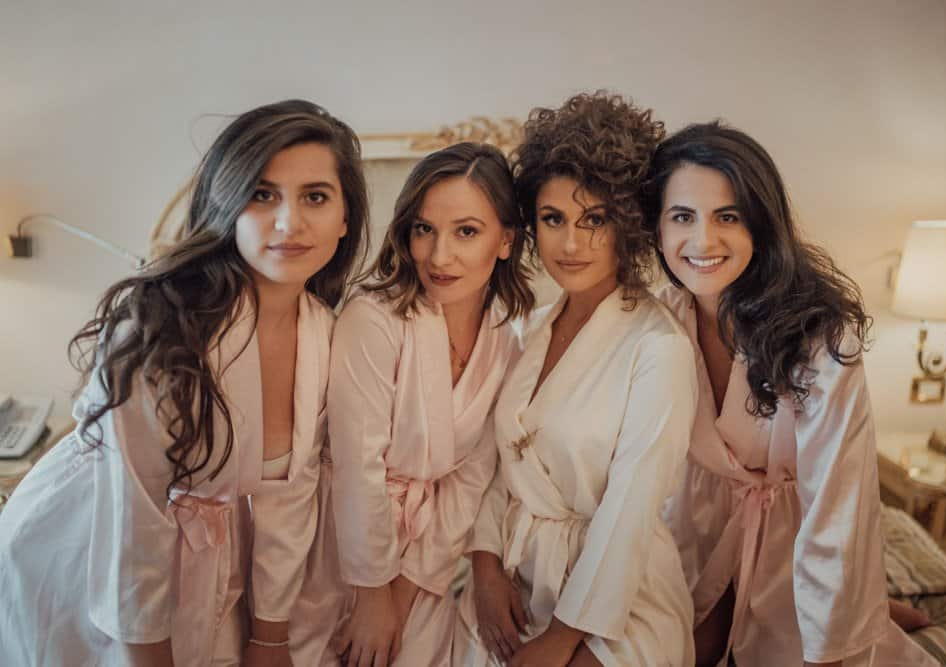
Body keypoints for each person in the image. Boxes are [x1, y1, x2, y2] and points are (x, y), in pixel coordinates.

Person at [0, 99, 369, 667]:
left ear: (345, 218)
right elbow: (136, 517)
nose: (290, 222)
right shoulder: (159, 329)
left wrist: (270, 637)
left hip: (205, 563)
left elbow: (290, 498)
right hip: (88, 545)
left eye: (315, 197)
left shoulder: (325, 333)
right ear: (225, 206)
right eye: (262, 194)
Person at [648, 121, 936, 666]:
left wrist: (830, 641)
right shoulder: (652, 320)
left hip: (793, 537)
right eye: (682, 216)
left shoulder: (820, 336)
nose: (703, 241)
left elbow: (838, 500)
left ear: (761, 224)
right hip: (693, 529)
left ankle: (870, 606)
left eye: (727, 217)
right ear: (656, 230)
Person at [455, 92, 697, 667]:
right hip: (513, 580)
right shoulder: (529, 329)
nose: (571, 243)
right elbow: (497, 468)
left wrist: (563, 639)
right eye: (553, 219)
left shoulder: (657, 348)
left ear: (630, 222)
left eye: (596, 220)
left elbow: (632, 508)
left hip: (617, 597)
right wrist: (485, 569)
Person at [289, 142, 534, 667]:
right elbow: (359, 466)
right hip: (338, 545)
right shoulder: (373, 319)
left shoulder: (507, 341)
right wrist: (373, 594)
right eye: (424, 229)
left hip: (423, 562)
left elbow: (468, 482)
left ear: (506, 240)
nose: (438, 256)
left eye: (466, 232)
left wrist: (402, 594)